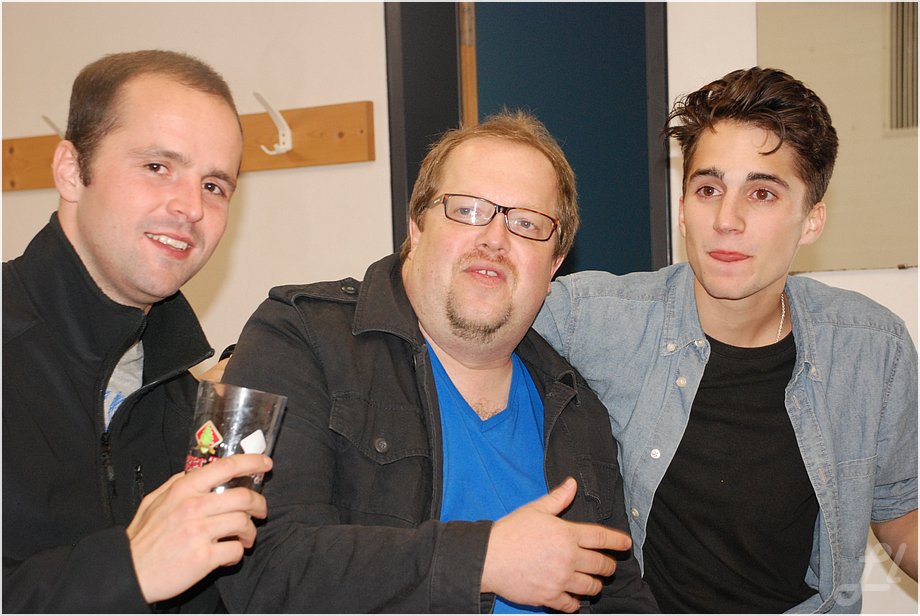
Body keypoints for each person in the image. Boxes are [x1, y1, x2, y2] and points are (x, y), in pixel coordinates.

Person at [216, 111, 658, 613]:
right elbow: (255, 568)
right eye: (467, 210)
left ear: (555, 264)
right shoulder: (297, 337)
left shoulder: (578, 409)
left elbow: (618, 595)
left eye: (527, 224)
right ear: (417, 226)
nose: (495, 238)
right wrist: (481, 560)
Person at [534, 67, 918, 612]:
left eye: (761, 193)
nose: (726, 219)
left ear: (811, 221)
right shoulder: (589, 320)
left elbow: (900, 509)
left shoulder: (871, 348)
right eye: (708, 189)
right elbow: (463, 329)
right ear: (683, 210)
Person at [3, 50, 273, 612]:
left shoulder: (187, 400)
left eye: (214, 186)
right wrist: (128, 568)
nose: (190, 207)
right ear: (71, 171)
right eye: (157, 167)